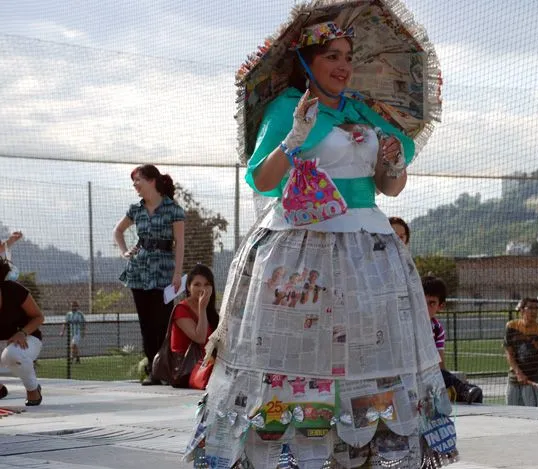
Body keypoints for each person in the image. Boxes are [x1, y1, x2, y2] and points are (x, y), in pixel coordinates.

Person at [192, 22, 455, 468]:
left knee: (366, 357)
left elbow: (389, 189)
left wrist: (392, 162)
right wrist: (294, 140)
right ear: (306, 62)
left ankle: (362, 453)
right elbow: (264, 179)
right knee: (295, 360)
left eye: (348, 57)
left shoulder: (365, 111)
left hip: (366, 248)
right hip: (303, 245)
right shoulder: (289, 108)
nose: (343, 66)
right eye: (332, 56)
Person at [113, 164, 185, 386]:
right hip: (139, 270)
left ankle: (166, 369)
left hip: (164, 270)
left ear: (152, 180)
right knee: (146, 324)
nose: (135, 185)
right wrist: (125, 252)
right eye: (133, 181)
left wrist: (177, 273)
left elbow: (180, 243)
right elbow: (118, 231)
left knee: (163, 322)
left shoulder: (174, 209)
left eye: (138, 180)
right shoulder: (135, 209)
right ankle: (153, 372)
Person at [422, 275, 483, 404]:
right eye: (422, 302)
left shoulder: (437, 329)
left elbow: (440, 362)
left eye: (431, 303)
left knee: (475, 394)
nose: (425, 308)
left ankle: (463, 390)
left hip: (428, 375)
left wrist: (448, 380)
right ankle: (463, 389)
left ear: (441, 306)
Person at [0, 258, 44, 406]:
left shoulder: (14, 290)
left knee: (12, 354)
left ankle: (33, 390)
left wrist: (22, 333)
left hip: (26, 339)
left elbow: (39, 317)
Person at [169, 264, 218, 388]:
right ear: (188, 287)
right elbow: (200, 337)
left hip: (206, 364)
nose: (202, 288)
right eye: (197, 284)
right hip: (186, 369)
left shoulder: (211, 311)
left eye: (207, 284)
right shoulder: (181, 309)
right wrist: (202, 308)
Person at [503, 297, 538, 407]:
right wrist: (519, 373)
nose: (534, 311)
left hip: (534, 380)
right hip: (514, 380)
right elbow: (509, 353)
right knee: (511, 414)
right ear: (522, 310)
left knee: (534, 417)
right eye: (531, 308)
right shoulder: (511, 326)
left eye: (537, 308)